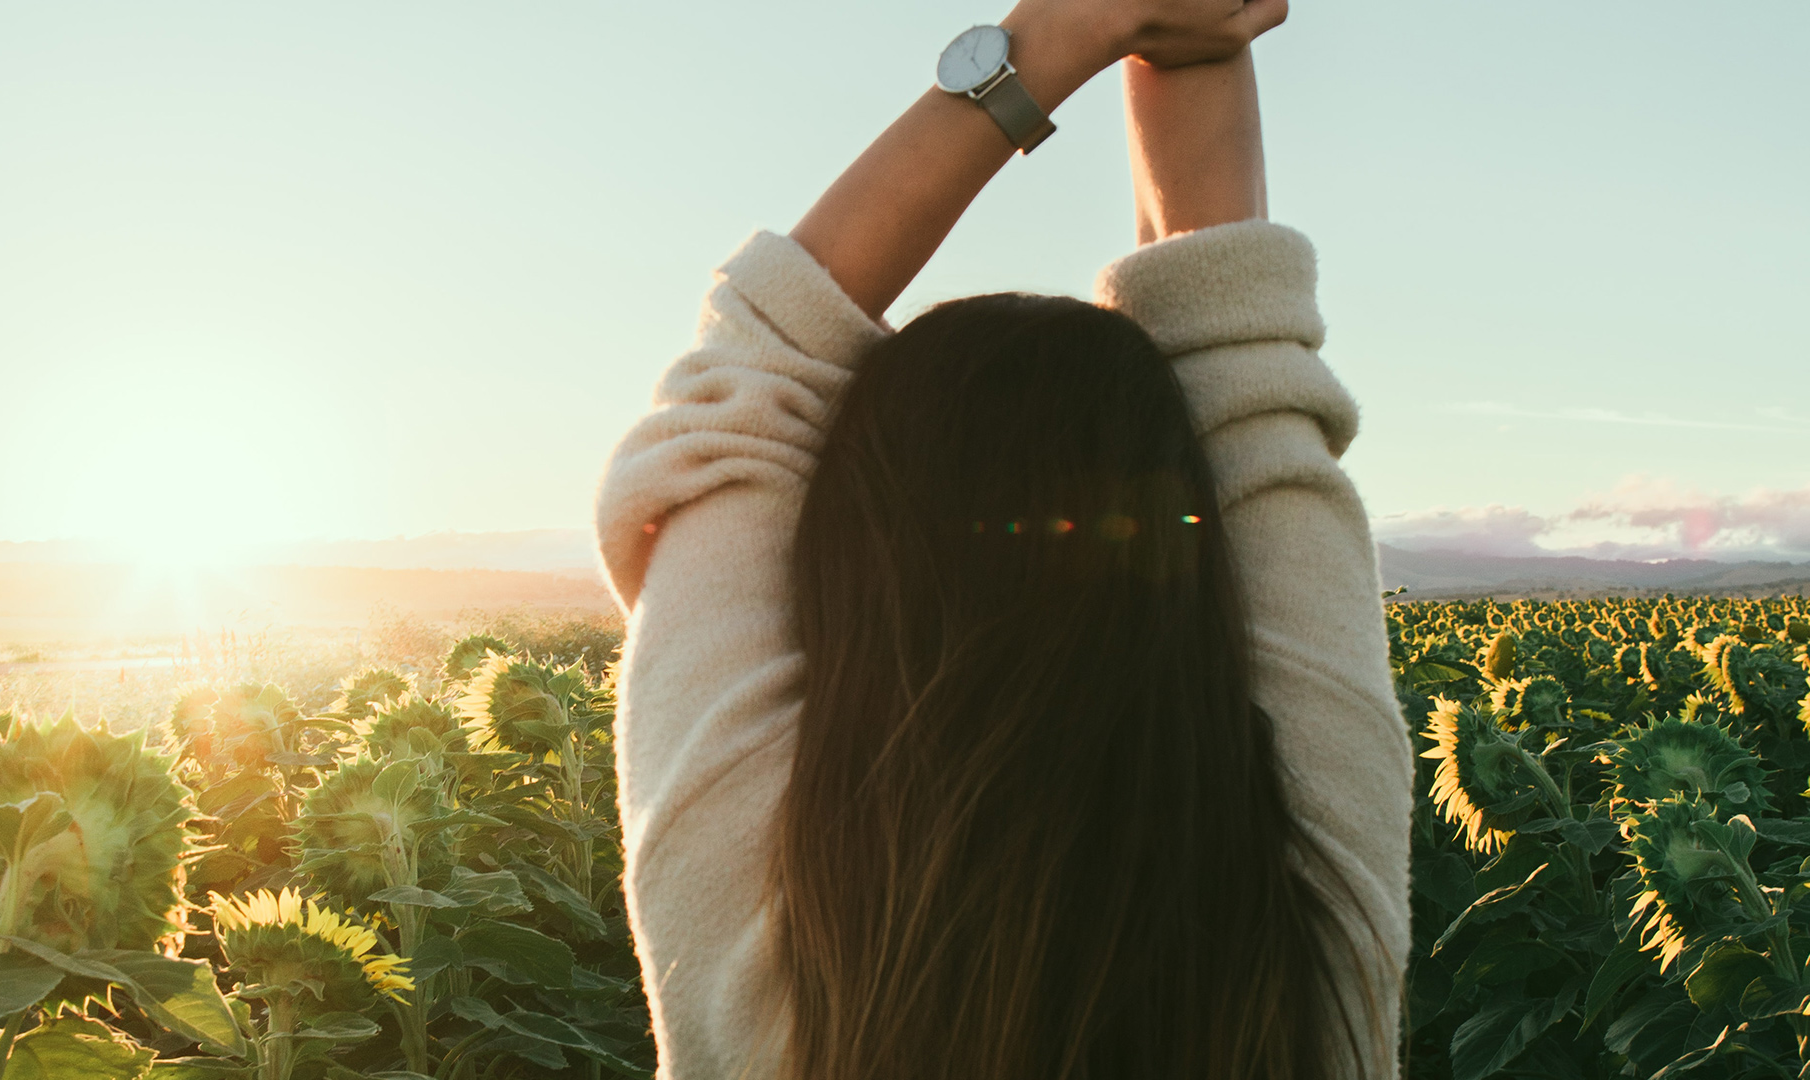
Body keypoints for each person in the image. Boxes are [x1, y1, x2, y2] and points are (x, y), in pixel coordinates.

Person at [594, 0, 1413, 1076]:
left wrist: (1058, 35)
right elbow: (1238, 344)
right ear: (1189, 542)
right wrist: (1194, 38)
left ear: (848, 554)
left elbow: (756, 364)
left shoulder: (755, 933)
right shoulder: (1310, 919)